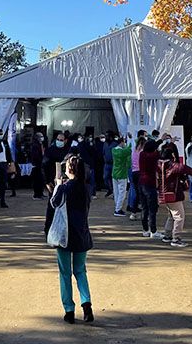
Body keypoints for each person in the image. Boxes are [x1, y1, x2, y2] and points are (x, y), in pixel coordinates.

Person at [50, 155, 94, 324]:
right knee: (81, 271)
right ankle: (86, 304)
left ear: (70, 169)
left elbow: (54, 203)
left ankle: (69, 310)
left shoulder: (65, 188)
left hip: (64, 236)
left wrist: (58, 186)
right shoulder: (86, 188)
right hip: (82, 234)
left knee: (65, 273)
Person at [157, 145, 192, 247]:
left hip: (162, 194)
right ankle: (176, 238)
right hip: (173, 195)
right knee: (179, 217)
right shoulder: (173, 165)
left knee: (171, 216)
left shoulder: (158, 165)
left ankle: (167, 235)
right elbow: (188, 170)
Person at [137, 137, 162, 238]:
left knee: (144, 208)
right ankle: (153, 231)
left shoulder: (142, 154)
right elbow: (158, 153)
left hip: (141, 182)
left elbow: (153, 147)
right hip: (150, 184)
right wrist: (162, 141)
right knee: (152, 209)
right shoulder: (153, 156)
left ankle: (145, 230)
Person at [111, 136, 132, 216]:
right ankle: (118, 209)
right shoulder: (124, 152)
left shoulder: (113, 150)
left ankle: (117, 207)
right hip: (122, 173)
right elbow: (129, 149)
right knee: (122, 193)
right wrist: (130, 140)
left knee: (116, 192)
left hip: (114, 173)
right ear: (122, 142)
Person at [127, 131, 146, 219]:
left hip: (134, 172)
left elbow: (131, 141)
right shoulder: (143, 152)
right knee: (144, 193)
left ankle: (133, 213)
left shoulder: (134, 149)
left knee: (137, 193)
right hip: (141, 173)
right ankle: (145, 214)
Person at [29, 131, 47, 199]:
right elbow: (35, 156)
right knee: (37, 180)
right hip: (36, 165)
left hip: (40, 164)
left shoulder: (40, 144)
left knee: (41, 180)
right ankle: (36, 194)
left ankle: (40, 193)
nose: (42, 138)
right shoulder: (35, 145)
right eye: (40, 137)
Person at [102, 131, 116, 198]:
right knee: (105, 177)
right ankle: (110, 189)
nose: (106, 137)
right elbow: (103, 153)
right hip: (107, 164)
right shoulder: (105, 144)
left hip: (114, 164)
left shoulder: (115, 144)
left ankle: (114, 192)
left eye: (107, 136)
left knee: (113, 178)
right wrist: (104, 159)